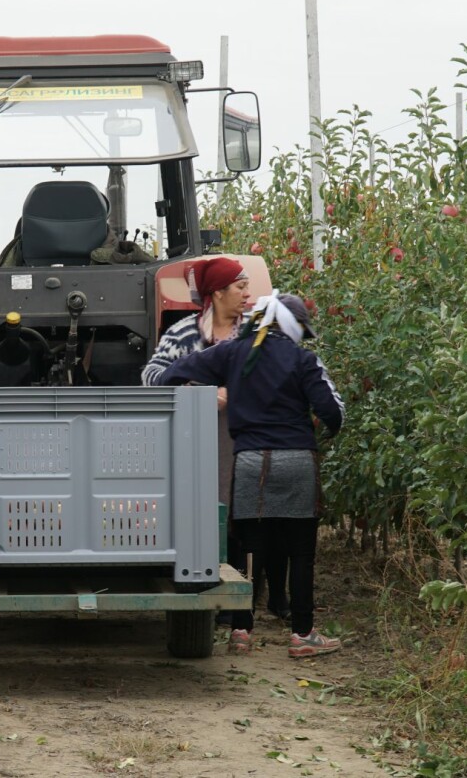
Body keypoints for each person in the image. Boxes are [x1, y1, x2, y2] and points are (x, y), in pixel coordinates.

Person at [154, 294, 345, 659]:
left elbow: (171, 374)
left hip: (250, 463)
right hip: (297, 462)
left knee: (248, 549)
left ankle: (241, 630)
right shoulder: (303, 359)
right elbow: (332, 411)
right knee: (301, 552)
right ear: (292, 327)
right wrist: (317, 428)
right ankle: (302, 635)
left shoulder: (231, 353)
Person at [140, 258, 274, 627]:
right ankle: (202, 598)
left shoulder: (258, 331)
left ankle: (240, 608)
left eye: (248, 287)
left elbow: (278, 375)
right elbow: (151, 377)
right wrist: (199, 393)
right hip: (198, 443)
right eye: (240, 287)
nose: (248, 294)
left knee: (246, 516)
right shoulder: (184, 333)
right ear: (217, 293)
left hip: (248, 438)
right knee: (202, 514)